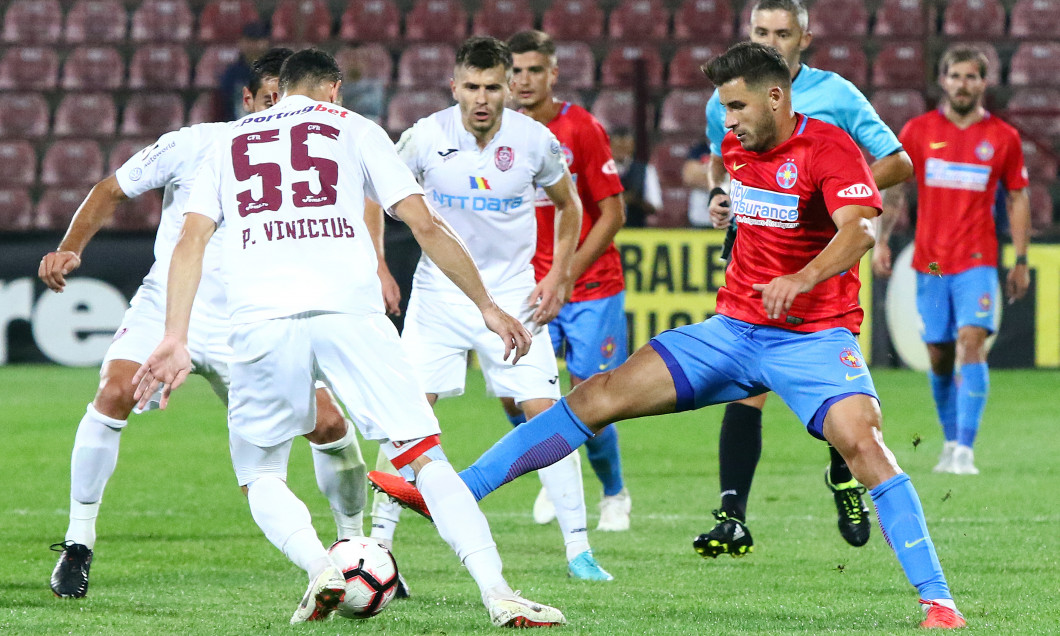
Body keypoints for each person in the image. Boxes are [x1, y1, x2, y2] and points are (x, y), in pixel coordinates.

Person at [372, 42, 967, 630]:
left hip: (812, 338)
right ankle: (454, 493)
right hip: (731, 331)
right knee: (593, 396)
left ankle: (938, 603)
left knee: (864, 446)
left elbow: (860, 230)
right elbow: (749, 193)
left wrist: (804, 276)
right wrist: (721, 202)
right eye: (723, 109)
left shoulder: (829, 147)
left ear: (777, 97)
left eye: (736, 107)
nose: (727, 122)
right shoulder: (737, 150)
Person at [131, 48, 565, 627]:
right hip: (351, 313)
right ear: (334, 90)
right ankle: (498, 590)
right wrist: (486, 304)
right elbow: (424, 223)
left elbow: (190, 242)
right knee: (424, 457)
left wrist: (174, 335)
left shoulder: (227, 143)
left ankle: (320, 568)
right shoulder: (356, 128)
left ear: (279, 90)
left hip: (262, 319)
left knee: (260, 474)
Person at [41, 49, 375, 600]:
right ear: (247, 101)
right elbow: (110, 190)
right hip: (169, 309)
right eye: (270, 99)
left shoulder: (313, 156)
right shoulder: (193, 143)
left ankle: (355, 549)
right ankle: (78, 545)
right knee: (115, 391)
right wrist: (69, 249)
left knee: (330, 426)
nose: (281, 111)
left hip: (255, 318)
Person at [368, 36, 611, 582]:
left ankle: (579, 549)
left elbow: (571, 207)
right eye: (472, 87)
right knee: (405, 418)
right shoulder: (425, 137)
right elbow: (373, 194)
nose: (482, 98)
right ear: (454, 86)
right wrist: (379, 265)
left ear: (508, 89)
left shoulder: (535, 141)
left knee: (550, 416)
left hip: (516, 298)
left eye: (493, 87)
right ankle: (379, 551)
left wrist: (557, 274)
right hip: (438, 299)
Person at [699, 0, 914, 556]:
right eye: (760, 31)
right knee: (745, 388)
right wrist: (720, 197)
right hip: (756, 255)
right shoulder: (728, 94)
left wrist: (829, 189)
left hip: (823, 263)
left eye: (782, 32)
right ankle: (732, 513)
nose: (771, 41)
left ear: (805, 38)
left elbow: (898, 160)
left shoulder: (836, 95)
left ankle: (843, 475)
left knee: (839, 403)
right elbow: (722, 159)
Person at [874, 45, 1031, 475]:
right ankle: (950, 440)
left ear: (983, 82)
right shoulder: (919, 131)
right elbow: (896, 189)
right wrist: (882, 239)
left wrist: (1020, 259)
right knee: (940, 354)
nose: (963, 84)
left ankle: (965, 448)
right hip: (933, 264)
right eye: (956, 76)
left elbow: (1018, 197)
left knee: (971, 342)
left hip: (978, 259)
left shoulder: (1003, 137)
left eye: (972, 76)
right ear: (943, 80)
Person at [504, 29, 631, 532]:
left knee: (591, 398)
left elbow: (613, 212)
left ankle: (615, 493)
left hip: (589, 285)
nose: (524, 80)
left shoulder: (580, 128)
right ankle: (558, 470)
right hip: (523, 285)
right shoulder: (500, 134)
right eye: (516, 71)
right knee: (514, 395)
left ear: (553, 74)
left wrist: (567, 271)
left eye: (535, 70)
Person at [217, 21, 271, 121]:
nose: (255, 45)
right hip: (237, 126)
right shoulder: (232, 73)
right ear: (242, 42)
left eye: (259, 40)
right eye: (251, 40)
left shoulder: (275, 72)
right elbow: (224, 105)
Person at [610, 126, 661, 227]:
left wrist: (635, 200)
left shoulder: (646, 170)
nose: (621, 151)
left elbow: (655, 206)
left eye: (625, 147)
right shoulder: (599, 170)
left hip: (636, 230)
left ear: (633, 147)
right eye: (618, 147)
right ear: (609, 146)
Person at [683, 137, 714, 228]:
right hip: (700, 216)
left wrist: (703, 172)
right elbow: (689, 177)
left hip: (730, 217)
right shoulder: (698, 150)